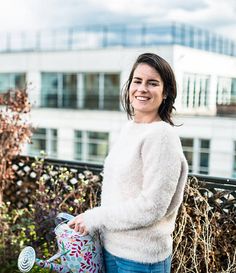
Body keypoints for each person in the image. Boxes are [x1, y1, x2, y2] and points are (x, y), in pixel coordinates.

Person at [68, 52, 188, 273]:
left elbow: (151, 207)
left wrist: (95, 217)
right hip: (112, 250)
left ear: (166, 92)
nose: (142, 88)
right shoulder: (129, 129)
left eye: (152, 83)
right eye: (137, 81)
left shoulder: (162, 136)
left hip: (140, 260)